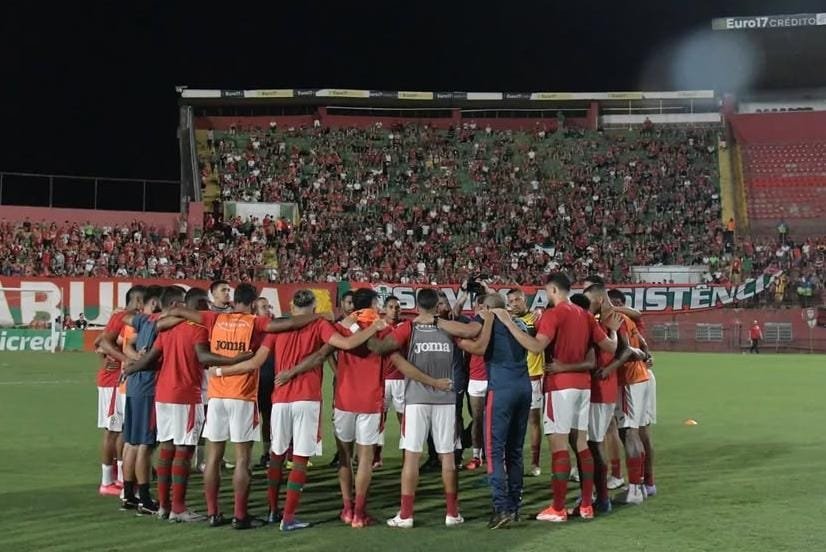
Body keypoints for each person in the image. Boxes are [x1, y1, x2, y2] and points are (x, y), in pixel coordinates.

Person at [163, 283, 328, 530]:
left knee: (213, 457)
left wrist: (163, 320)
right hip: (242, 396)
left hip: (217, 395)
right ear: (252, 303)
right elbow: (290, 324)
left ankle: (213, 513)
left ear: (234, 300)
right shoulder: (255, 322)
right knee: (242, 460)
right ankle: (240, 516)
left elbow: (178, 311)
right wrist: (318, 315)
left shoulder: (213, 318)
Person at [225, 289, 385, 532]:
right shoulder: (319, 325)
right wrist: (373, 328)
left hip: (280, 398)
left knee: (276, 455)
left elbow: (258, 360)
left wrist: (221, 371)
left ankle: (272, 510)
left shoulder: (278, 328)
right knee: (299, 459)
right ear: (313, 306)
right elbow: (346, 343)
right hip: (306, 398)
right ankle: (288, 518)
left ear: (291, 305)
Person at [492, 273, 618, 522]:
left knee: (559, 446)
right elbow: (611, 348)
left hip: (560, 387)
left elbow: (537, 346)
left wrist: (508, 323)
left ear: (552, 290)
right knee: (581, 444)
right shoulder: (585, 315)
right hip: (583, 386)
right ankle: (585, 506)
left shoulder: (554, 314)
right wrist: (613, 331)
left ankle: (558, 508)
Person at [123, 286, 250, 522]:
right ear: (197, 305)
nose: (207, 307)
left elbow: (151, 358)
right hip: (186, 395)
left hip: (163, 395)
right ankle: (179, 508)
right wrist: (235, 359)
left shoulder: (168, 330)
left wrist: (131, 369)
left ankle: (164, 506)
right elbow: (203, 357)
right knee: (184, 451)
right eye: (204, 303)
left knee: (167, 449)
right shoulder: (197, 328)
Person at [385, 288, 476, 529]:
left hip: (415, 400)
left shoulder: (408, 328)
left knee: (412, 457)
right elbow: (472, 333)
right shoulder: (447, 327)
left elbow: (387, 349)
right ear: (438, 306)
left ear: (416, 305)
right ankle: (452, 513)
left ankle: (406, 515)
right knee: (448, 457)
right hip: (445, 399)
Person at [463, 294, 530, 529]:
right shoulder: (520, 323)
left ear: (488, 308)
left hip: (501, 390)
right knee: (515, 451)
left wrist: (456, 339)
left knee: (494, 451)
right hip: (524, 388)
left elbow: (474, 340)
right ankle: (514, 506)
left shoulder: (487, 322)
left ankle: (501, 507)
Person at [93, 285, 145, 497]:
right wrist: (125, 360)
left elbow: (100, 343)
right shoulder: (123, 317)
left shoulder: (126, 317)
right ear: (139, 300)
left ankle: (122, 477)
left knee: (122, 429)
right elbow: (102, 343)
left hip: (119, 379)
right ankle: (108, 482)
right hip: (113, 380)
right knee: (114, 430)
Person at [119, 285, 166, 515]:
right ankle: (145, 499)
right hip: (148, 387)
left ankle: (128, 494)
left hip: (134, 386)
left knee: (131, 442)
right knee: (146, 446)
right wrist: (142, 359)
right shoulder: (157, 323)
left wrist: (133, 357)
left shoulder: (141, 320)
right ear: (156, 303)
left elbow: (127, 343)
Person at [606, 288, 652, 505]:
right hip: (640, 377)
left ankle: (634, 489)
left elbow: (627, 351)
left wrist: (609, 368)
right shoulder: (627, 318)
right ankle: (642, 485)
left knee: (630, 433)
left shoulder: (617, 319)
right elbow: (643, 345)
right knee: (634, 432)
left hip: (629, 380)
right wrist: (645, 355)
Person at [506, 289, 545, 477]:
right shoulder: (506, 320)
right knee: (511, 421)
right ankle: (511, 460)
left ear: (525, 300)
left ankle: (535, 462)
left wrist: (538, 314)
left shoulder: (536, 318)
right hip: (512, 377)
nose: (514, 303)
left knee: (533, 420)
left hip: (534, 377)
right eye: (511, 300)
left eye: (517, 299)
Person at [375, 295, 404, 468]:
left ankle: (407, 456)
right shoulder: (378, 327)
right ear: (385, 309)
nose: (395, 310)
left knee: (405, 420)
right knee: (379, 419)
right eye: (391, 307)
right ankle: (377, 456)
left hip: (401, 379)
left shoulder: (405, 326)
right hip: (383, 379)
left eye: (397, 307)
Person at [254, 297, 275, 468]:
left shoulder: (274, 328)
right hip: (252, 382)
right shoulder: (251, 329)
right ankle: (245, 456)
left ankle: (267, 453)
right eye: (263, 307)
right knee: (250, 421)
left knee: (269, 419)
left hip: (270, 381)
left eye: (268, 306)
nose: (267, 310)